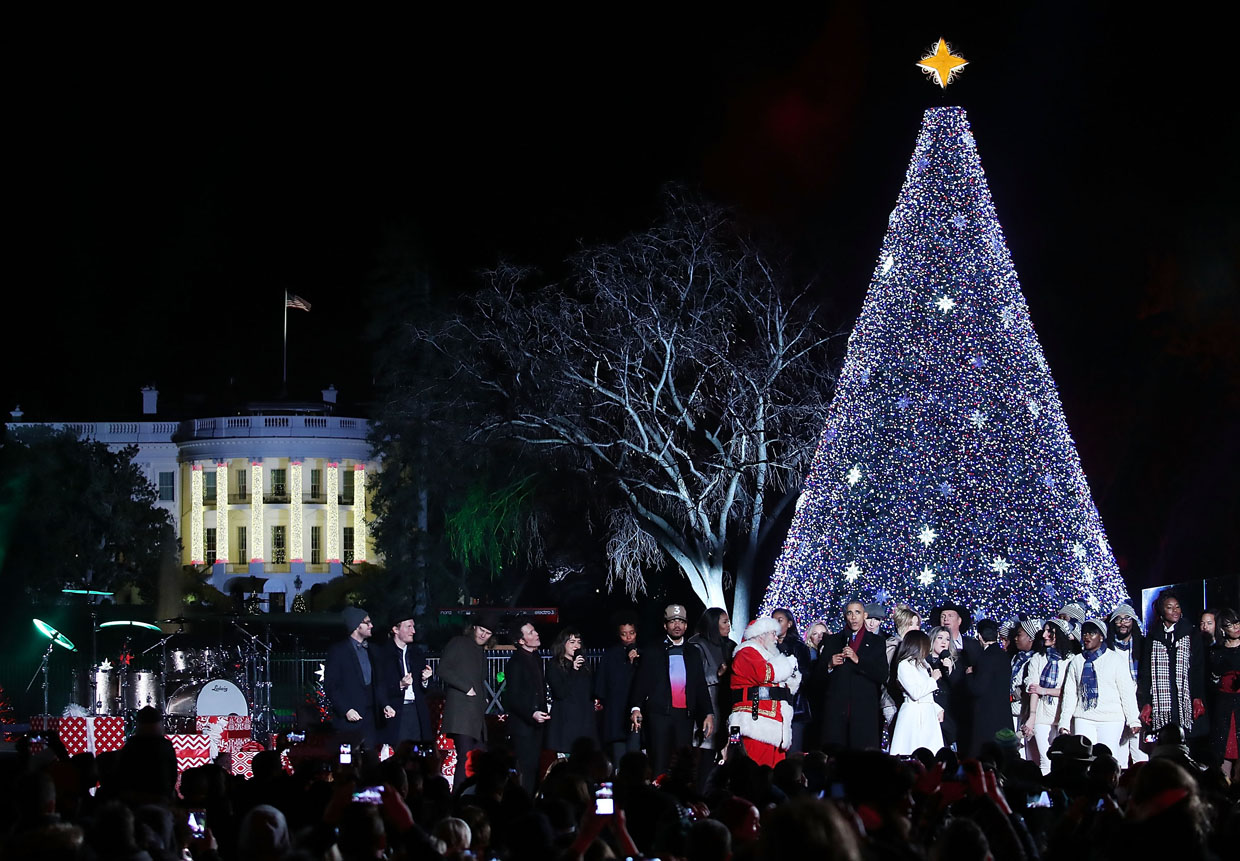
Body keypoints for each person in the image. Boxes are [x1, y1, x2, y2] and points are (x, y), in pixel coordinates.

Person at [628, 603, 714, 776]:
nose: (677, 625)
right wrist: (636, 707)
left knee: (683, 764)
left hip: (684, 716)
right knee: (659, 762)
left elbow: (700, 685)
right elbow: (641, 681)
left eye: (681, 621)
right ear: (665, 624)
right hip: (659, 716)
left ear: (686, 625)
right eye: (673, 621)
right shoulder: (653, 650)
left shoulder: (693, 652)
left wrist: (708, 713)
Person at [1059, 618, 1141, 756]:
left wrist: (1133, 719)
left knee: (1107, 758)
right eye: (1085, 633)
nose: (1087, 637)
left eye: (1092, 634)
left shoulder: (1115, 660)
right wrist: (1064, 722)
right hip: (1084, 717)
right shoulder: (1077, 661)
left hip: (1111, 719)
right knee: (1084, 757)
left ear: (1101, 637)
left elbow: (1126, 692)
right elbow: (1070, 694)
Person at [727, 616, 801, 766]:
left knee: (773, 775)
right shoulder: (747, 652)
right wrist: (787, 665)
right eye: (773, 633)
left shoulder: (768, 656)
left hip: (773, 726)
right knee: (752, 772)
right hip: (753, 725)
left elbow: (789, 686)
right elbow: (765, 673)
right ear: (761, 634)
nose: (776, 637)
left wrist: (792, 671)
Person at [813, 601, 888, 750]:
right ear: (845, 616)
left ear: (864, 615)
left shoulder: (877, 642)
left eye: (857, 613)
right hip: (836, 712)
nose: (854, 617)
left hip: (864, 712)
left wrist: (858, 660)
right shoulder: (832, 640)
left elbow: (882, 674)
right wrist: (829, 665)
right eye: (850, 613)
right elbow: (816, 679)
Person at [1138, 590, 1206, 753]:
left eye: (1177, 607)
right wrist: (1147, 701)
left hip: (1185, 698)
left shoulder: (1191, 633)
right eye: (1170, 607)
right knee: (1164, 743)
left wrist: (1197, 697)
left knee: (1187, 743)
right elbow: (1146, 672)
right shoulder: (1153, 637)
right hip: (1162, 700)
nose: (1175, 610)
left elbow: (1198, 668)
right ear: (1162, 611)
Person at [439, 612, 499, 789]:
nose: (483, 635)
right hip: (461, 715)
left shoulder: (481, 651)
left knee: (479, 757)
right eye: (481, 629)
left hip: (476, 716)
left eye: (488, 633)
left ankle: (472, 795)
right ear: (474, 627)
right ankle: (458, 797)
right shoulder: (458, 643)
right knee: (465, 757)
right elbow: (443, 669)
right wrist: (466, 688)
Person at [1022, 618, 1079, 774]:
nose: (1045, 635)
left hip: (1064, 712)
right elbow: (1033, 688)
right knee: (1045, 760)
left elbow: (1070, 691)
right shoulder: (1038, 658)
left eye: (1050, 632)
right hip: (1042, 712)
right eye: (1045, 631)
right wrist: (1032, 716)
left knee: (1064, 760)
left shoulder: (1071, 660)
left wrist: (1045, 690)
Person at [929, 601, 983, 752]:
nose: (946, 618)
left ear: (959, 620)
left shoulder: (971, 645)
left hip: (962, 705)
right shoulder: (929, 658)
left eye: (950, 615)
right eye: (943, 616)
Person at [504, 617, 549, 793]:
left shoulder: (536, 658)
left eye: (535, 630)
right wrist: (532, 713)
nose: (536, 634)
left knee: (536, 770)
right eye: (531, 632)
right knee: (526, 771)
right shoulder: (515, 662)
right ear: (521, 640)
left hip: (538, 724)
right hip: (523, 727)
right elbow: (513, 698)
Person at [376, 613, 433, 748]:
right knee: (399, 754)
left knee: (418, 754)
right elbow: (379, 686)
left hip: (416, 710)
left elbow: (427, 688)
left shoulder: (417, 653)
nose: (413, 631)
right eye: (408, 627)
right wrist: (400, 685)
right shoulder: (383, 655)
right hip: (396, 711)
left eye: (413, 626)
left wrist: (425, 679)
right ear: (395, 630)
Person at [324, 606, 379, 747]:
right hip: (349, 720)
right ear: (356, 626)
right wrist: (346, 709)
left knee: (370, 760)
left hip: (370, 718)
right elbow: (331, 686)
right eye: (367, 622)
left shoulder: (371, 650)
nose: (371, 626)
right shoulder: (338, 651)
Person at [687, 607, 734, 762]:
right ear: (714, 624)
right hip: (706, 705)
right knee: (703, 755)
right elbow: (692, 678)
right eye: (725, 622)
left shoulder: (730, 646)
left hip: (726, 705)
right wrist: (717, 675)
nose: (729, 625)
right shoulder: (696, 645)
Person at [594, 616, 641, 767]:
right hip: (616, 716)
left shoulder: (643, 654)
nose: (628, 637)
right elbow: (601, 687)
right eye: (624, 634)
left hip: (637, 715)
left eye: (631, 633)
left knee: (635, 761)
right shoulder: (609, 656)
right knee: (619, 762)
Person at [889, 629, 943, 756]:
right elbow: (915, 692)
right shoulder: (904, 665)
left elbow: (926, 694)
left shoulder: (923, 665)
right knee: (911, 750)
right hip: (913, 716)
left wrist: (936, 708)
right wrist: (933, 679)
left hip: (927, 715)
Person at [546, 627, 597, 755]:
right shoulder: (554, 665)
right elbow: (560, 692)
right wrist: (573, 670)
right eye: (572, 642)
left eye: (578, 642)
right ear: (563, 644)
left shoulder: (585, 666)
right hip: (566, 722)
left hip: (585, 721)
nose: (576, 646)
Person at [1108, 602, 1147, 767]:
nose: (1123, 623)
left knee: (1140, 751)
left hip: (1138, 700)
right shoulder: (1107, 647)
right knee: (1119, 752)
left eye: (1127, 619)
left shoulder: (1143, 645)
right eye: (1118, 619)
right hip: (1115, 702)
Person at [966, 619, 1012, 756]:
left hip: (986, 717)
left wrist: (969, 675)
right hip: (1003, 714)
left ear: (979, 636)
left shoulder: (984, 658)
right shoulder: (1004, 656)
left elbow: (977, 689)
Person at [771, 607, 813, 753]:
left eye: (779, 620)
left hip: (795, 708)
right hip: (772, 708)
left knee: (792, 755)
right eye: (773, 620)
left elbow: (805, 675)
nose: (775, 624)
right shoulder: (767, 646)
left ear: (789, 624)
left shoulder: (799, 647)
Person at [1206, 607, 1240, 780]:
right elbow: (1210, 683)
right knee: (1224, 749)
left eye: (1237, 623)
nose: (1236, 628)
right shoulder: (1215, 652)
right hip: (1223, 707)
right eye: (1230, 625)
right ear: (1222, 629)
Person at [1007, 619, 1040, 759]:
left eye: (1019, 635)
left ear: (1031, 637)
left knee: (1026, 752)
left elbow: (1027, 687)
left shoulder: (1034, 659)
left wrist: (1012, 697)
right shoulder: (1016, 657)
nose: (1016, 638)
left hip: (1023, 711)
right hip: (1012, 711)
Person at [926, 625, 960, 749]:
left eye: (947, 639)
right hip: (929, 710)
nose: (944, 642)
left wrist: (949, 669)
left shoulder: (955, 661)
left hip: (948, 713)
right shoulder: (924, 661)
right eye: (940, 638)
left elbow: (958, 688)